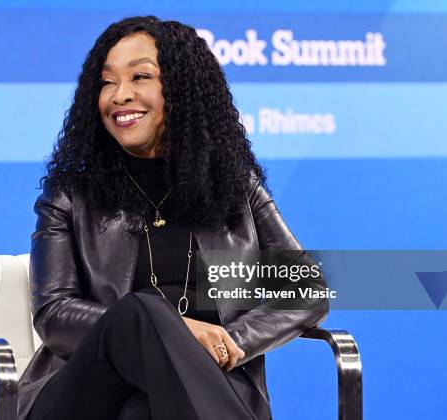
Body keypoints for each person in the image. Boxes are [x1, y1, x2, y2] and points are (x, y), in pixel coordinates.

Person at [17, 16, 328, 420]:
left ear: (181, 90)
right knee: (139, 312)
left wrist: (226, 343)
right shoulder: (71, 193)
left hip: (194, 389)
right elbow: (54, 313)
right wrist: (174, 331)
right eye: (107, 82)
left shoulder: (233, 186)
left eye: (140, 77)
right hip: (84, 395)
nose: (119, 95)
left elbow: (306, 288)